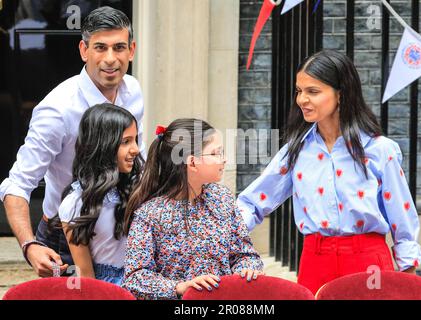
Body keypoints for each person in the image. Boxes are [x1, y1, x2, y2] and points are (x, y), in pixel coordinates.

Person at [236, 50, 421, 295]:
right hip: (315, 262)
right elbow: (253, 203)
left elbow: (402, 216)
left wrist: (408, 274)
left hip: (368, 264)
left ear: (341, 94)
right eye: (299, 91)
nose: (302, 99)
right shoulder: (295, 151)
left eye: (313, 91)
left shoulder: (379, 150)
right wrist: (217, 238)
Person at [0, 6, 145, 277]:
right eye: (100, 47)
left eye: (119, 47)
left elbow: (137, 156)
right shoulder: (57, 110)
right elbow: (16, 185)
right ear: (83, 50)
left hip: (121, 229)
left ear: (132, 50)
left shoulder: (134, 91)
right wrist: (30, 246)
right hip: (66, 235)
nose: (111, 59)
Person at [122, 119, 264, 300]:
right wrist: (180, 287)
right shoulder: (149, 215)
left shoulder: (223, 198)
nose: (224, 159)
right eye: (216, 153)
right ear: (192, 163)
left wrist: (248, 268)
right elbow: (135, 278)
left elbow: (244, 254)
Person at [58, 103, 142, 285]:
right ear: (102, 146)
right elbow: (85, 277)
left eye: (135, 140)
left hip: (144, 279)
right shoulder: (76, 203)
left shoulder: (137, 188)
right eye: (125, 142)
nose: (135, 149)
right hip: (106, 285)